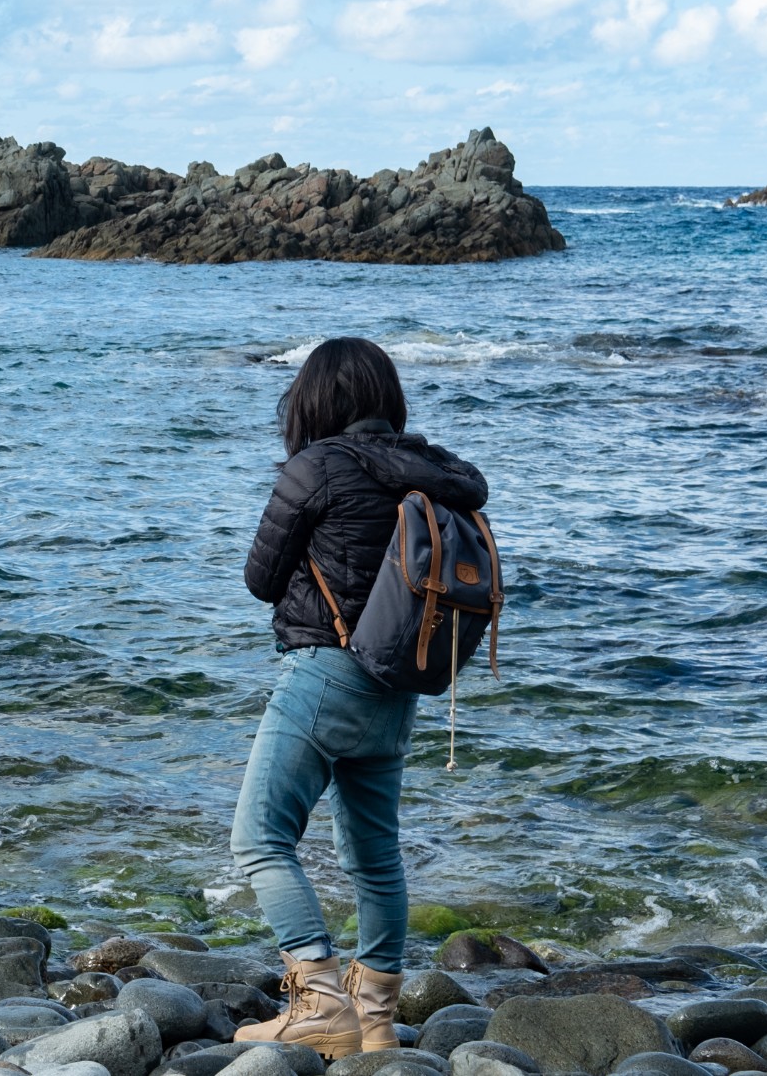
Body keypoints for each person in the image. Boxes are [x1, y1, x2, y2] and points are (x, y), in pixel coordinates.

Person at [228, 337, 490, 1058]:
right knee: (375, 856)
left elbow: (259, 575)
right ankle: (374, 1017)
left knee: (259, 838)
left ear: (315, 401)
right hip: (397, 684)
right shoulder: (434, 476)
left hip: (324, 674)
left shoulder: (315, 468)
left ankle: (318, 998)